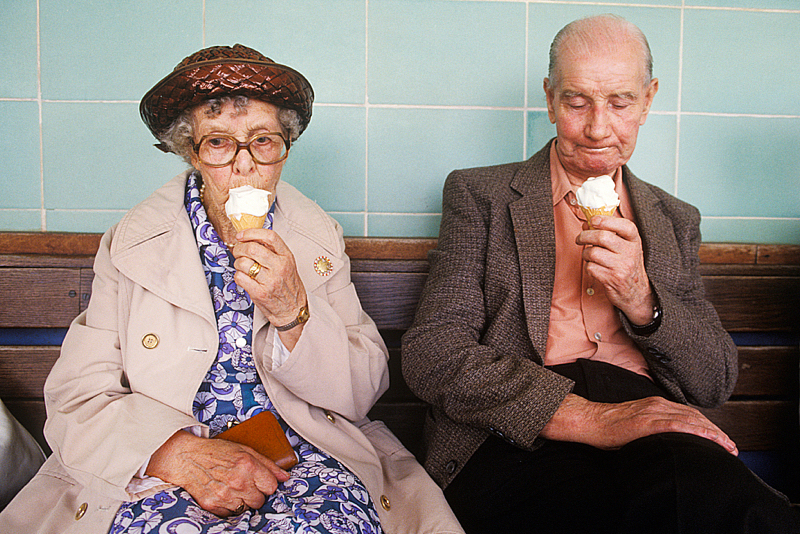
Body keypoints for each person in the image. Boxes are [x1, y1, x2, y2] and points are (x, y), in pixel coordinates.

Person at [0, 44, 463, 534]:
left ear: (285, 149)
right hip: (163, 467)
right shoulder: (131, 243)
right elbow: (78, 394)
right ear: (191, 151)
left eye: (263, 141)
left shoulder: (318, 237)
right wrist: (177, 455)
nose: (244, 165)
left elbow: (361, 393)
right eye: (219, 142)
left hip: (310, 455)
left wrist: (293, 313)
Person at [402, 14, 800, 534]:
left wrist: (642, 300)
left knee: (746, 513)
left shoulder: (674, 218)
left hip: (650, 426)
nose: (597, 128)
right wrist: (590, 417)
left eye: (620, 103)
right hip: (521, 426)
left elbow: (714, 381)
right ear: (549, 99)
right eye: (576, 102)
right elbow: (432, 352)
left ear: (648, 101)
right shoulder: (481, 196)